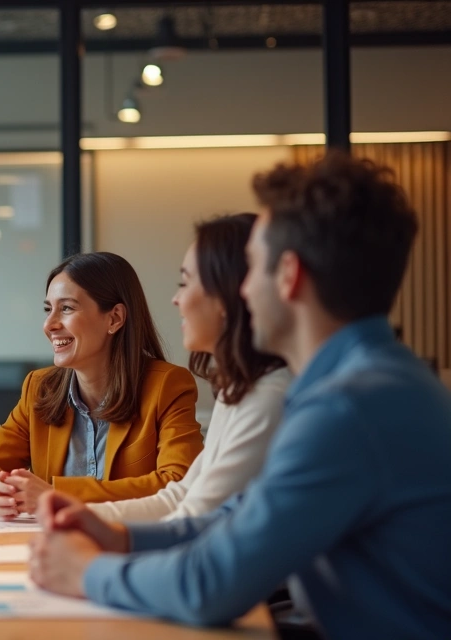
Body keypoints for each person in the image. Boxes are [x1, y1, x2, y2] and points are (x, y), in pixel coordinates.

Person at [27, 153, 451, 638]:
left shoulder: (345, 409)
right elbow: (230, 519)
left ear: (289, 275)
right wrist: (117, 535)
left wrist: (85, 573)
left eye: (251, 268)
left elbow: (211, 584)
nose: (241, 291)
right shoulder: (363, 383)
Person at [0, 252, 204, 512]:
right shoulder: (40, 388)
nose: (49, 324)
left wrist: (55, 494)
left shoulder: (167, 386)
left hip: (131, 545)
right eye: (48, 309)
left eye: (67, 308)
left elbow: (179, 483)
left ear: (114, 318)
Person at [88, 214, 290, 523]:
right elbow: (182, 495)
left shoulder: (269, 397)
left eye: (185, 282)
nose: (176, 299)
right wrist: (81, 515)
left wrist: (88, 526)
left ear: (228, 293)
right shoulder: (237, 391)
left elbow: (195, 518)